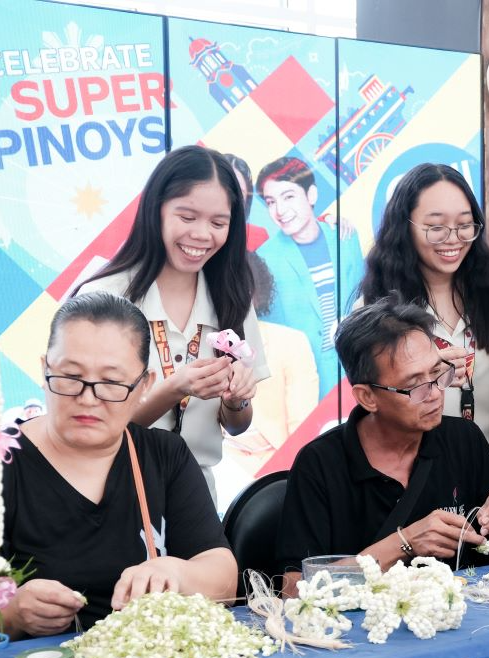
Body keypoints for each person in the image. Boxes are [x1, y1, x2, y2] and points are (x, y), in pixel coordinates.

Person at [0, 293, 236, 636]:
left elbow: (223, 577)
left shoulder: (163, 455)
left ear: (144, 386)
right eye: (70, 376)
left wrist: (177, 574)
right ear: (44, 369)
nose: (87, 398)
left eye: (111, 383)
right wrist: (8, 612)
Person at [276, 298, 489, 597]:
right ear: (367, 397)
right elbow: (293, 592)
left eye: (438, 373)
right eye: (414, 385)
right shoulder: (320, 464)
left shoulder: (463, 439)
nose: (434, 394)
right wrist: (404, 543)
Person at [76, 145, 270, 504]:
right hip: (113, 494)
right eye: (187, 216)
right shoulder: (103, 298)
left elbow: (236, 425)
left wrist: (238, 400)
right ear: (157, 211)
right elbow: (92, 427)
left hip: (196, 500)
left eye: (218, 223)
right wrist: (173, 388)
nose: (201, 235)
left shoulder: (233, 297)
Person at [357, 163, 489, 493]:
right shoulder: (375, 304)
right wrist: (429, 374)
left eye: (465, 226)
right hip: (419, 485)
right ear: (404, 226)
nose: (453, 239)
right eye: (436, 227)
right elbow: (371, 406)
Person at [215, 154, 318, 491]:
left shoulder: (291, 343)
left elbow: (303, 432)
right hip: (212, 471)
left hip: (274, 477)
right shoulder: (193, 340)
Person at [255, 155, 366, 398]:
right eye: (271, 202)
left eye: (289, 197)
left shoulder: (345, 238)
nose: (280, 210)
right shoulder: (263, 258)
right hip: (301, 385)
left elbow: (364, 303)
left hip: (355, 371)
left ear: (311, 195)